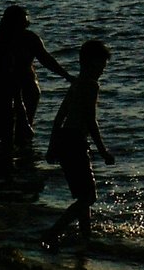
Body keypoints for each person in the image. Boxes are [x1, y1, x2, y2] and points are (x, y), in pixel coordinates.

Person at [40, 41, 115, 250]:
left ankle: (85, 239)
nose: (101, 71)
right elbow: (91, 121)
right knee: (89, 197)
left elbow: (59, 118)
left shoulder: (76, 83)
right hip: (75, 142)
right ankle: (53, 233)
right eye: (99, 66)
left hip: (65, 140)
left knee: (83, 196)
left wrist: (51, 145)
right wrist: (103, 151)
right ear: (88, 63)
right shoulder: (91, 85)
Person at [0, 4, 67, 176]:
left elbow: (47, 60)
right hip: (1, 89)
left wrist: (66, 76)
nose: (25, 26)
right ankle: (2, 167)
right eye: (22, 23)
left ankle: (22, 165)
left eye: (26, 23)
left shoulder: (31, 39)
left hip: (27, 88)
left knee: (23, 132)